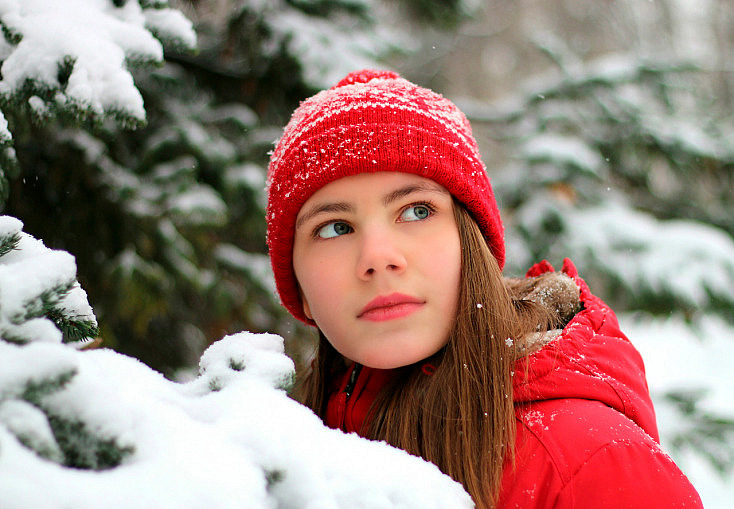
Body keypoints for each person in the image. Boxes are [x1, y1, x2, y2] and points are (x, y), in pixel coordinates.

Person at [265, 69, 703, 508]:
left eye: (416, 211)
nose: (378, 257)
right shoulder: (274, 457)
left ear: (471, 245)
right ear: (298, 286)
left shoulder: (588, 463)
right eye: (335, 228)